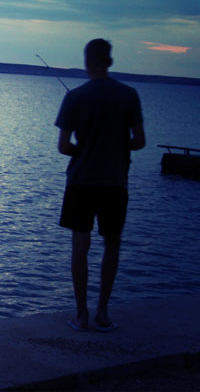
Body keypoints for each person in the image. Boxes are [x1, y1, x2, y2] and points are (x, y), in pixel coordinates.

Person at [55, 38, 145, 332]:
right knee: (112, 244)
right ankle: (103, 313)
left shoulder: (75, 97)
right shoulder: (129, 95)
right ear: (110, 61)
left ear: (86, 62)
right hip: (115, 181)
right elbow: (139, 141)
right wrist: (117, 145)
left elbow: (64, 146)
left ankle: (81, 315)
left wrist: (85, 149)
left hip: (81, 181)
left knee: (80, 246)